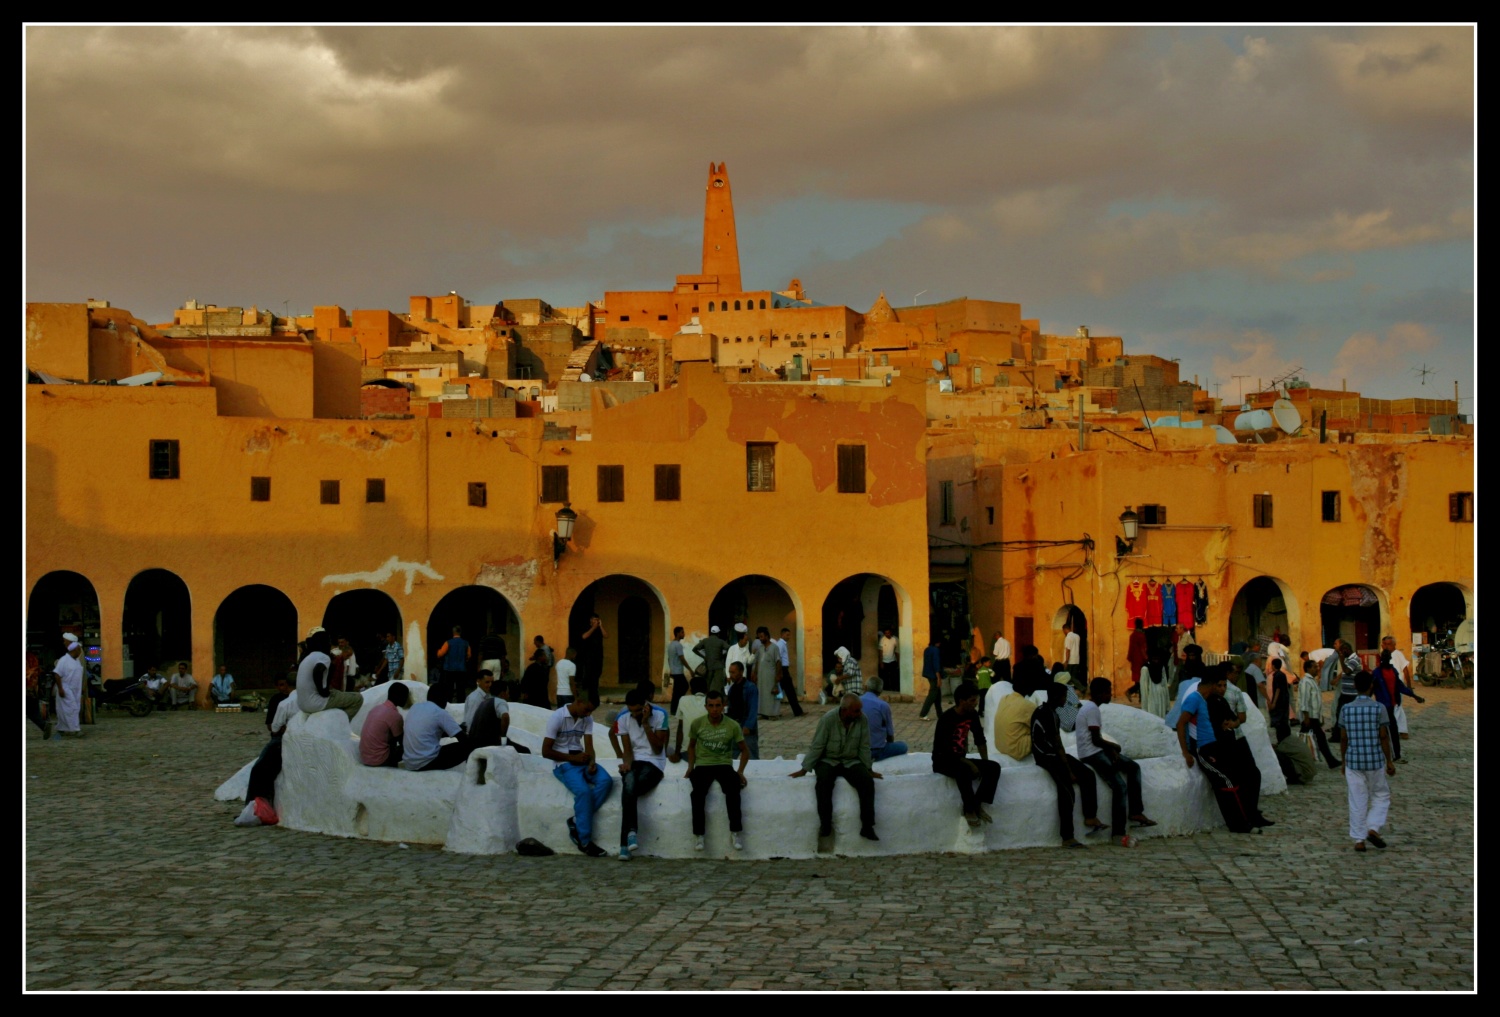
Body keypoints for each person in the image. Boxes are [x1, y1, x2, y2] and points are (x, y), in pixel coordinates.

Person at [1176, 666, 1265, 833]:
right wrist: (1186, 752)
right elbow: (1181, 724)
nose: (1223, 689)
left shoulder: (1204, 699)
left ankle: (1242, 821)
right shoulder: (1194, 699)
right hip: (1203, 750)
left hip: (1212, 747)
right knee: (1226, 781)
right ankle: (1238, 824)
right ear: (1212, 684)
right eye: (1220, 685)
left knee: (1232, 779)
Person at [790, 692, 881, 841]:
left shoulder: (862, 720)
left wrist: (869, 769)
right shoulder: (828, 720)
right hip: (828, 760)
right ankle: (825, 824)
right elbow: (817, 746)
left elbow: (864, 746)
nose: (860, 713)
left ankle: (867, 826)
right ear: (845, 710)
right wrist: (804, 769)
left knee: (867, 782)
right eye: (856, 711)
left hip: (850, 760)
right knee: (823, 782)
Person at [1078, 678, 1156, 845]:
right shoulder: (1092, 710)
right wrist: (1114, 746)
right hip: (1091, 754)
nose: (1110, 694)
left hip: (1097, 751)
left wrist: (1111, 751)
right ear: (1099, 693)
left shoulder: (1092, 708)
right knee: (1119, 786)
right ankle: (1118, 833)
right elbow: (1096, 740)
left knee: (1133, 767)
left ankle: (1136, 811)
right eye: (1108, 692)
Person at [542, 697, 611, 857]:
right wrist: (572, 758)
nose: (588, 714)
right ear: (579, 701)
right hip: (563, 764)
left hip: (582, 760)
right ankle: (584, 841)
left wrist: (592, 762)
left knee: (606, 781)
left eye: (591, 711)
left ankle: (576, 820)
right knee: (584, 792)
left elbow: (589, 747)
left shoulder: (587, 719)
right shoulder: (557, 717)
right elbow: (546, 751)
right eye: (587, 709)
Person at [609, 687, 669, 861]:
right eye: (631, 711)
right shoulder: (623, 717)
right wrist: (626, 764)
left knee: (629, 790)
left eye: (638, 710)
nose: (634, 714)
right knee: (629, 786)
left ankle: (624, 845)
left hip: (654, 763)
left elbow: (657, 749)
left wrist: (646, 724)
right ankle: (631, 833)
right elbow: (627, 750)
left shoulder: (660, 715)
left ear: (645, 705)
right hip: (635, 762)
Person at [1340, 671, 1397, 852]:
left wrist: (1343, 761)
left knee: (1357, 799)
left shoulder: (1346, 709)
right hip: (1374, 760)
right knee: (1381, 795)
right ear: (1371, 686)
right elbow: (1383, 736)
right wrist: (1389, 761)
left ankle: (1359, 839)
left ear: (1355, 686)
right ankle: (1373, 827)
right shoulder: (1379, 708)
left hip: (1353, 761)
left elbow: (1343, 738)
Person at [686, 690, 750, 851]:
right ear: (706, 707)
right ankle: (699, 835)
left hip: (723, 764)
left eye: (717, 705)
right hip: (703, 765)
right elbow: (691, 746)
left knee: (733, 789)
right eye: (711, 706)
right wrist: (690, 767)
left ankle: (735, 832)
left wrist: (740, 772)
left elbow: (745, 750)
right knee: (697, 794)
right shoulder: (697, 724)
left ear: (723, 706)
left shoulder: (732, 725)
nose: (714, 709)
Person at [931, 682, 1000, 828]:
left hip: (960, 759)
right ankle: (969, 810)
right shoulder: (946, 719)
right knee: (964, 771)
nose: (976, 703)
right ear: (962, 701)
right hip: (943, 760)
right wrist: (971, 765)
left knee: (994, 768)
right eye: (972, 700)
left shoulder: (972, 714)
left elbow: (980, 739)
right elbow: (945, 751)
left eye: (977, 700)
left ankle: (976, 804)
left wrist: (985, 763)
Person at [1029, 683, 1089, 848]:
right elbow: (1056, 743)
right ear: (1056, 697)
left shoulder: (1051, 712)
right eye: (1064, 697)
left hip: (1054, 755)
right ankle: (1067, 836)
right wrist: (1069, 771)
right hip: (1046, 756)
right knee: (1067, 792)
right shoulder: (1046, 713)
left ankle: (1090, 816)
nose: (1065, 700)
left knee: (1087, 774)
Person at [236, 679, 302, 826]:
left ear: (288, 685)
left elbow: (275, 728)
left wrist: (285, 728)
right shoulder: (309, 702)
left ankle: (253, 809)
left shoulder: (285, 703)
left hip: (284, 742)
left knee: (258, 770)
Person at [296, 628, 364, 719]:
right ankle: (338, 722)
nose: (330, 645)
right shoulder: (323, 656)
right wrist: (323, 691)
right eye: (328, 642)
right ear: (324, 644)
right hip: (316, 703)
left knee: (337, 694)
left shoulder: (308, 657)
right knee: (358, 699)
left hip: (302, 704)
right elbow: (318, 671)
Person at [1371, 650, 1424, 763]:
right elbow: (1370, 688)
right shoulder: (1377, 673)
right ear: (1381, 658)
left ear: (1390, 658)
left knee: (1390, 732)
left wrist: (1414, 696)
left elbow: (1400, 686)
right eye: (1384, 657)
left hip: (1391, 705)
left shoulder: (1393, 671)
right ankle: (1394, 756)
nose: (1385, 659)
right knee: (1391, 731)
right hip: (1383, 706)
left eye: (1387, 657)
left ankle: (1393, 756)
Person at [1297, 660, 1340, 768]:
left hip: (1314, 716)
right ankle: (1330, 760)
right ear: (1308, 668)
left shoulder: (1313, 681)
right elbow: (1304, 701)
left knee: (1316, 738)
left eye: (1317, 667)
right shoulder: (1306, 682)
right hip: (1310, 716)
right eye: (1314, 667)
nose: (1317, 669)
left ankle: (1329, 760)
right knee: (1317, 738)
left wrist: (1320, 717)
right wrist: (1306, 717)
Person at [360, 681, 407, 767]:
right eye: (405, 696)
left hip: (365, 757)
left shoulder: (376, 708)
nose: (406, 699)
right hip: (378, 759)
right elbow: (402, 741)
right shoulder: (395, 715)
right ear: (399, 697)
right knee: (410, 749)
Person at [859, 676, 907, 760]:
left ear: (866, 687)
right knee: (903, 746)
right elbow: (890, 735)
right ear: (880, 691)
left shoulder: (856, 701)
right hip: (876, 750)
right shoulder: (883, 705)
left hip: (858, 750)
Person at [52, 636, 86, 739]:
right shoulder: (64, 660)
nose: (80, 652)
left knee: (65, 710)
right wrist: (61, 689)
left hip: (75, 689)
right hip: (65, 688)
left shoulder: (76, 661)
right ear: (75, 650)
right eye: (79, 649)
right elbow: (57, 674)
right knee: (72, 709)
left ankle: (61, 728)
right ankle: (75, 730)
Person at [670, 674, 709, 763]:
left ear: (691, 690)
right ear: (707, 689)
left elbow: (680, 728)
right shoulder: (712, 703)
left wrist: (677, 752)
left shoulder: (683, 700)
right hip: (708, 754)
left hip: (686, 753)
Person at [726, 661, 760, 760]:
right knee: (730, 756)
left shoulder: (750, 688)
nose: (731, 675)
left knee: (751, 756)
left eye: (733, 672)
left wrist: (748, 726)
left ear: (741, 672)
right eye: (730, 672)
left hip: (745, 726)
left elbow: (753, 709)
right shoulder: (732, 688)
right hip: (734, 726)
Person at [751, 626, 781, 720]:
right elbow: (757, 662)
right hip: (761, 676)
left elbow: (778, 662)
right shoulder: (760, 648)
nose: (760, 639)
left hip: (771, 676)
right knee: (762, 694)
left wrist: (778, 675)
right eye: (759, 637)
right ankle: (763, 713)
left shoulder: (774, 647)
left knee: (771, 695)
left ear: (767, 636)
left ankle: (773, 714)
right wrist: (755, 673)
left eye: (762, 636)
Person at [576, 613, 606, 707]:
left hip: (598, 656)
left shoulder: (599, 629)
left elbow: (606, 635)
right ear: (591, 620)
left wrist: (600, 626)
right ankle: (587, 696)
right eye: (594, 619)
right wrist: (593, 628)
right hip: (588, 657)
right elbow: (584, 636)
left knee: (597, 675)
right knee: (588, 676)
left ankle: (594, 696)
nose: (596, 621)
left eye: (597, 619)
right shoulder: (587, 628)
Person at [436, 626, 471, 701]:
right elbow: (469, 655)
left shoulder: (448, 642)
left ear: (453, 632)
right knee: (461, 689)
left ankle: (449, 703)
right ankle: (461, 703)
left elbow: (440, 654)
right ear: (460, 632)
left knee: (449, 688)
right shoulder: (466, 643)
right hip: (461, 669)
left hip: (449, 669)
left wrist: (438, 651)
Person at [693, 626, 730, 696]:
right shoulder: (721, 641)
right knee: (717, 687)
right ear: (718, 633)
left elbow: (694, 649)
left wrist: (704, 656)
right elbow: (729, 648)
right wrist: (722, 655)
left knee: (708, 686)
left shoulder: (705, 641)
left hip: (708, 667)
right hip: (718, 667)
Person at [775, 627, 803, 717]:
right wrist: (780, 672)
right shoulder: (780, 644)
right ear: (782, 634)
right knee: (790, 691)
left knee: (783, 691)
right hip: (783, 670)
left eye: (789, 635)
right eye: (787, 635)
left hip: (783, 669)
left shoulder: (783, 644)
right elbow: (778, 658)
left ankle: (776, 711)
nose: (788, 637)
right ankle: (797, 711)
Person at [919, 635, 945, 721]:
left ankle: (940, 714)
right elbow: (936, 664)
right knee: (932, 695)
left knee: (937, 695)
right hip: (934, 675)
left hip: (928, 674)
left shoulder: (927, 649)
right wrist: (939, 678)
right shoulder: (936, 650)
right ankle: (923, 714)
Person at [1266, 657, 1293, 741]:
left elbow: (1278, 689)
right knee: (1284, 720)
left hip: (1279, 701)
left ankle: (1281, 739)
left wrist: (1274, 702)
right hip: (1284, 700)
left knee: (1279, 721)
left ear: (1273, 666)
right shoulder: (1282, 674)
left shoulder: (1277, 675)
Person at [667, 626, 689, 715]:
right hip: (678, 671)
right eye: (682, 632)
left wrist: (671, 669)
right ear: (677, 633)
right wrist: (690, 669)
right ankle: (677, 707)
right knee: (684, 687)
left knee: (677, 690)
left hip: (674, 671)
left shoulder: (671, 644)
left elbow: (669, 659)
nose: (684, 634)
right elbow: (682, 659)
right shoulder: (678, 645)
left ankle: (674, 708)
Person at [1126, 619, 1148, 702]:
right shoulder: (1141, 636)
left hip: (1134, 660)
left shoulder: (1132, 635)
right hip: (1140, 660)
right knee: (1142, 680)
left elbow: (1131, 648)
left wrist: (1130, 657)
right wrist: (1146, 658)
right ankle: (1131, 692)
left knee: (1138, 680)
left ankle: (1140, 698)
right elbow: (1143, 649)